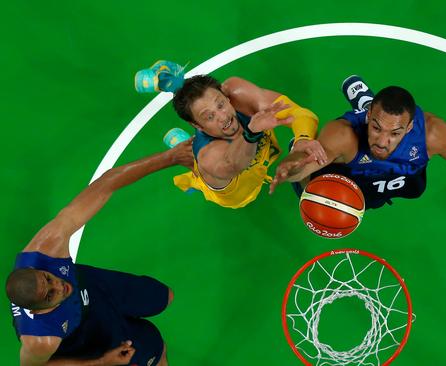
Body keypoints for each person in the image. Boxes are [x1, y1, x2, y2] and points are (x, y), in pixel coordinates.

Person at [6, 140, 194, 365]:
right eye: (49, 295)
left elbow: (105, 185)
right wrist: (102, 362)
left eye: (48, 278)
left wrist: (171, 158)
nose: (59, 286)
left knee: (166, 296)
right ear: (37, 312)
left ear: (37, 269)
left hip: (92, 286)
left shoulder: (47, 248)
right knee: (155, 350)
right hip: (86, 333)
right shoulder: (41, 339)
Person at [271, 76, 446, 232]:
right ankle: (364, 104)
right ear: (369, 117)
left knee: (416, 188)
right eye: (376, 127)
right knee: (310, 193)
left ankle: (366, 100)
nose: (382, 142)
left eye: (395, 133)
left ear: (410, 128)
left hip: (399, 174)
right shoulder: (344, 135)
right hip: (348, 173)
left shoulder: (431, 134)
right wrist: (293, 162)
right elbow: (304, 165)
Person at [170, 74, 326, 209]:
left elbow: (299, 113)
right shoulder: (208, 155)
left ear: (225, 95)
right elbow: (234, 165)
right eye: (210, 117)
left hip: (261, 161)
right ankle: (191, 164)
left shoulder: (238, 95)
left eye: (221, 104)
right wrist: (251, 133)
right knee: (202, 181)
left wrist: (302, 139)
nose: (223, 117)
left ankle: (185, 145)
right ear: (197, 125)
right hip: (238, 192)